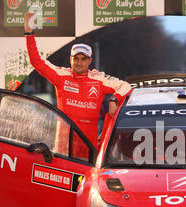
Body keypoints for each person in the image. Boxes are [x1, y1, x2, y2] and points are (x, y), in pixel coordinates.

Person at [24, 12, 131, 151]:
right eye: (76, 58)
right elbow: (36, 61)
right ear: (71, 59)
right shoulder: (61, 75)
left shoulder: (99, 79)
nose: (79, 63)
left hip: (88, 148)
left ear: (90, 61)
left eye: (83, 59)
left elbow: (126, 86)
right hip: (63, 147)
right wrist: (28, 33)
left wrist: (114, 99)